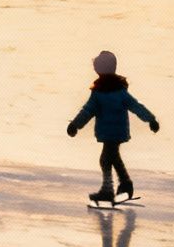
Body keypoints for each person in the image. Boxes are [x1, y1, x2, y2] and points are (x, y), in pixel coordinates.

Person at [67, 50, 159, 205]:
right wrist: (150, 119)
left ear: (99, 70)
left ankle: (107, 190)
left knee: (105, 159)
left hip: (109, 132)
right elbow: (136, 106)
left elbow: (87, 111)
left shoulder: (99, 92)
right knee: (114, 158)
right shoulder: (119, 90)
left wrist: (75, 125)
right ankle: (126, 184)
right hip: (118, 131)